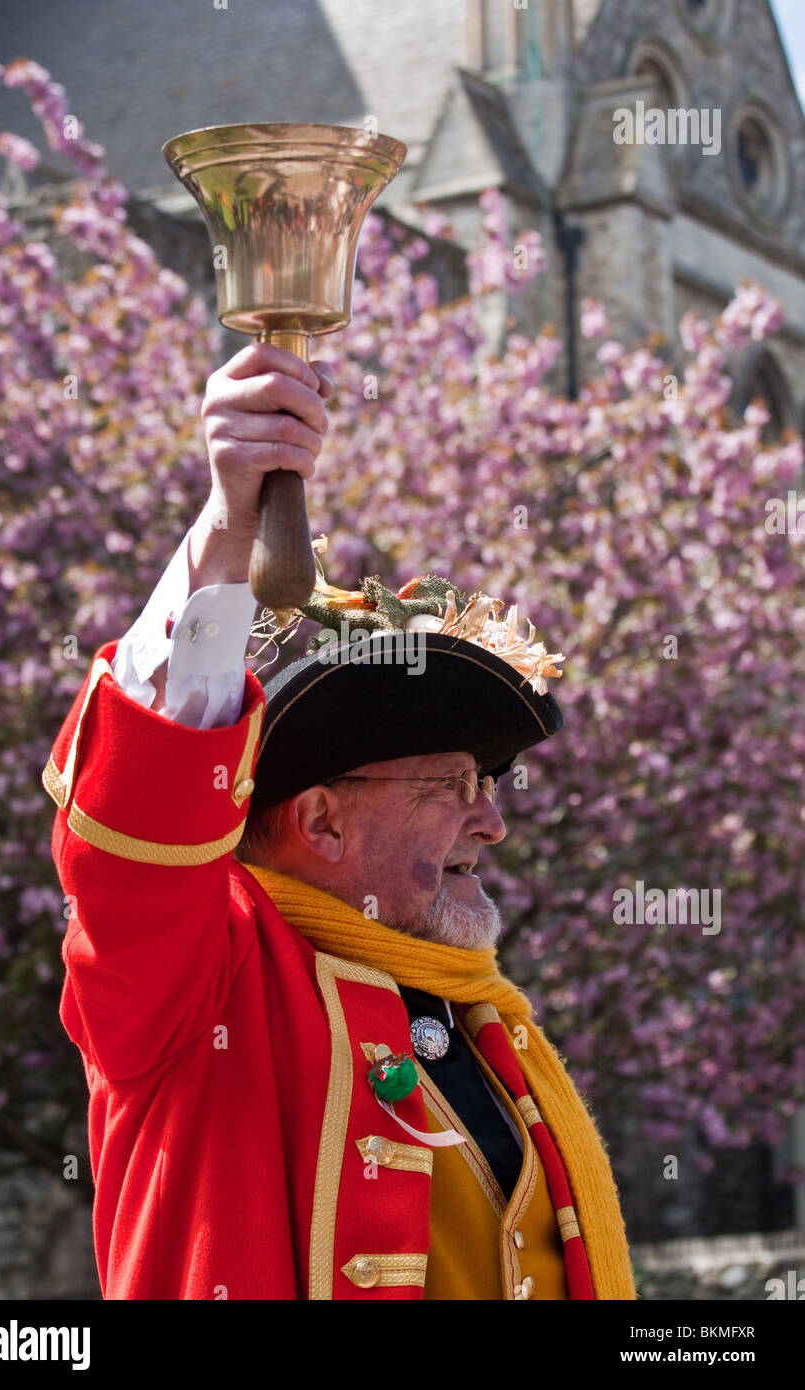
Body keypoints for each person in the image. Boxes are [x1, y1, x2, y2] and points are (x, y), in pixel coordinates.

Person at [42, 342, 635, 1301]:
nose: (493, 823)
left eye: (489, 785)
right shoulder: (200, 982)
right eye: (452, 785)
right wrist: (232, 521)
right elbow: (143, 791)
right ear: (319, 818)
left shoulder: (485, 1027)